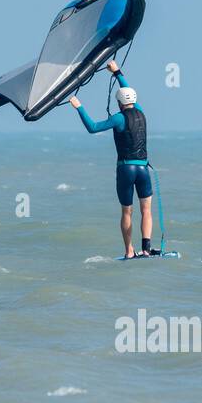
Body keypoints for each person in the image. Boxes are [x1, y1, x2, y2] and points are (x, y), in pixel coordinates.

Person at [69, 62, 156, 259]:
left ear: (118, 103)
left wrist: (79, 107)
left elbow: (92, 127)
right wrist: (117, 72)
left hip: (126, 170)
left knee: (127, 212)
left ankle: (129, 251)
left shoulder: (118, 118)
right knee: (147, 210)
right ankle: (147, 249)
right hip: (143, 169)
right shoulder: (141, 112)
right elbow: (126, 91)